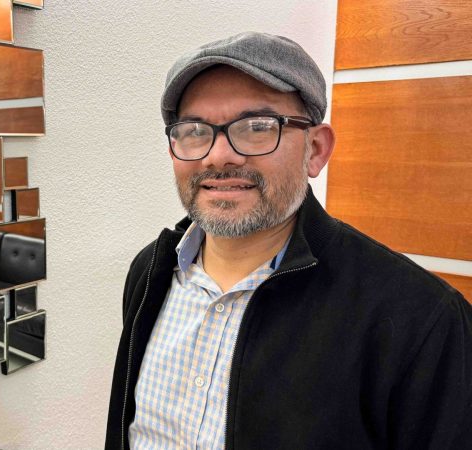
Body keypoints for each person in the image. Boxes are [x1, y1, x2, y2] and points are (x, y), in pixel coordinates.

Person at [106, 32, 472, 449]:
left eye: (257, 127)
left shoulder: (421, 318)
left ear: (315, 150)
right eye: (194, 130)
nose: (218, 156)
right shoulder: (151, 272)